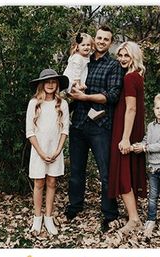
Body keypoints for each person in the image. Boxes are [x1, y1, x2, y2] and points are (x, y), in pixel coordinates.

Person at [65, 25, 124, 233]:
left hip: (100, 126)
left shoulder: (114, 66)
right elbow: (69, 85)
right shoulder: (81, 59)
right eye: (98, 38)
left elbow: (112, 96)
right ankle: (75, 206)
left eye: (105, 39)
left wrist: (86, 97)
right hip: (79, 123)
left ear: (110, 42)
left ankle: (109, 213)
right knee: (76, 171)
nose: (100, 42)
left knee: (105, 171)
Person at [108, 41, 147, 235]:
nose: (122, 59)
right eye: (120, 55)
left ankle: (134, 219)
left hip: (126, 130)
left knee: (123, 173)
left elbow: (131, 108)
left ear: (134, 56)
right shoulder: (136, 76)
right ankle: (134, 215)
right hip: (132, 128)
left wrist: (125, 138)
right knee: (129, 171)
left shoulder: (130, 78)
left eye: (126, 55)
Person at [26, 68, 69, 235]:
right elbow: (30, 131)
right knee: (39, 183)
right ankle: (37, 219)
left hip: (55, 151)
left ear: (57, 84)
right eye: (47, 82)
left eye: (53, 82)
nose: (50, 85)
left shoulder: (62, 104)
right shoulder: (34, 103)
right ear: (41, 84)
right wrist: (41, 152)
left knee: (52, 183)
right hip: (39, 150)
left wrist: (58, 150)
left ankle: (49, 218)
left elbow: (65, 130)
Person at [132, 93, 160, 239]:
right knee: (152, 196)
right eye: (157, 108)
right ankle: (151, 220)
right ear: (154, 109)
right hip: (152, 167)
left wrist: (145, 148)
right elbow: (147, 139)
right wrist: (140, 145)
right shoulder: (151, 125)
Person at [63, 32, 105, 120]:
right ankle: (91, 112)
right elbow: (76, 74)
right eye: (83, 45)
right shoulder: (78, 58)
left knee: (79, 99)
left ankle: (68, 114)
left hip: (74, 82)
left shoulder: (84, 56)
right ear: (77, 46)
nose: (86, 47)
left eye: (88, 45)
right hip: (72, 82)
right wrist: (78, 86)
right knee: (82, 96)